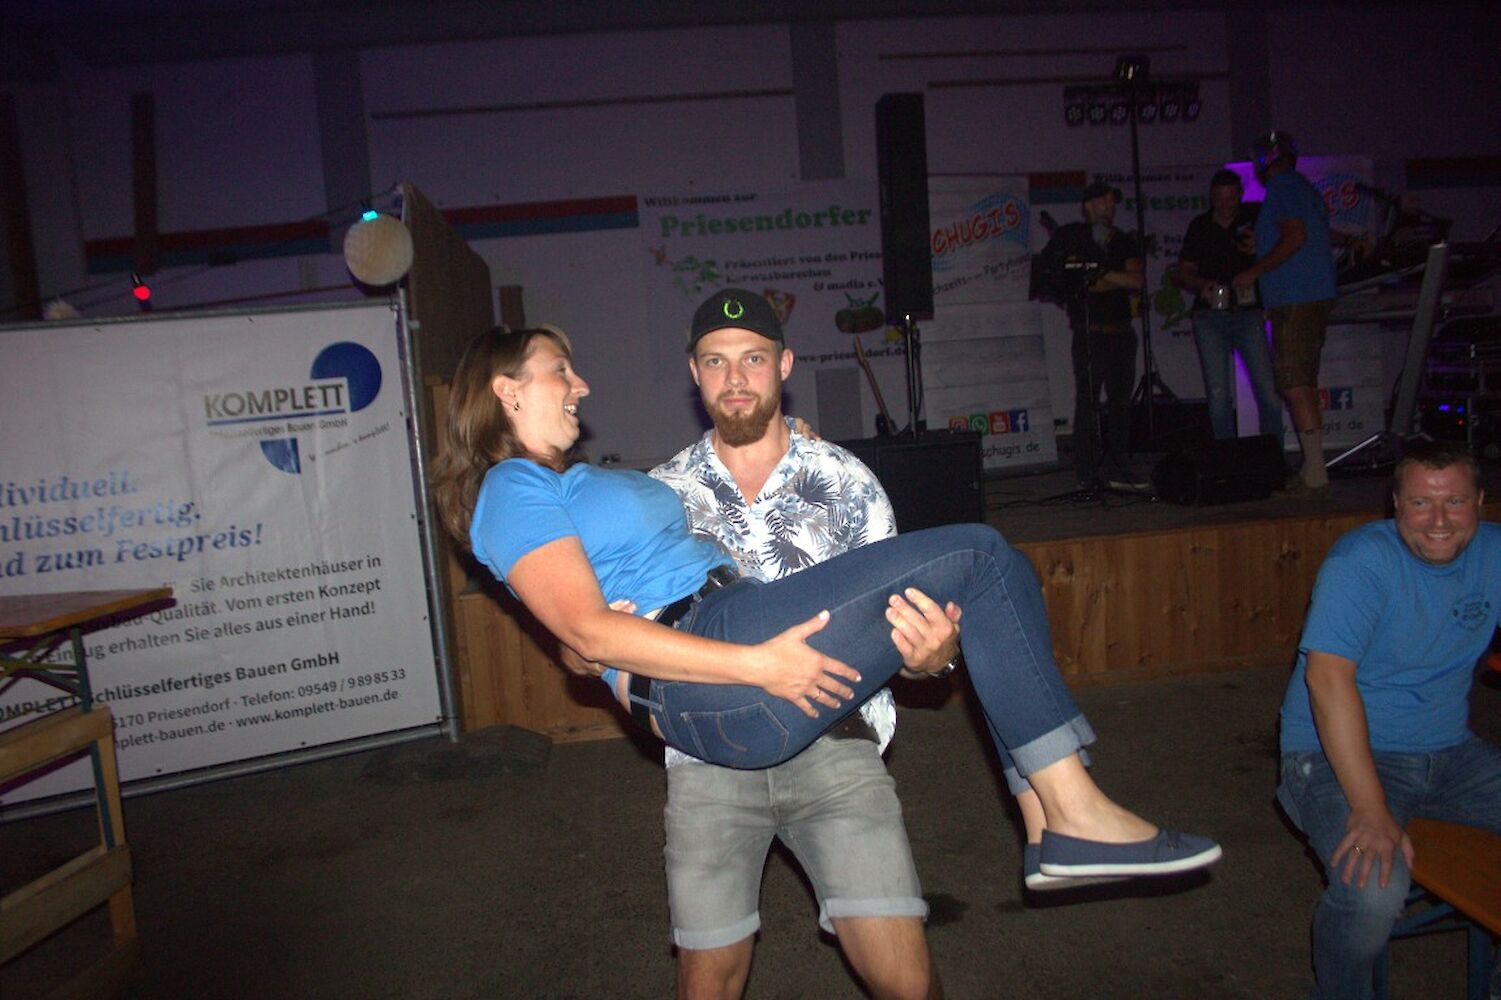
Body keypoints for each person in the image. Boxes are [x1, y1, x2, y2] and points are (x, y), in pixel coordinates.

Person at [430, 322, 1223, 890]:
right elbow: (585, 631)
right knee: (980, 554)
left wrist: (790, 442)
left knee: (994, 569)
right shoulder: (511, 486)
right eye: (561, 371)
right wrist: (755, 665)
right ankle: (1071, 815)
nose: (580, 385)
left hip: (734, 634)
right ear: (507, 390)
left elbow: (592, 610)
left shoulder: (569, 482)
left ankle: (1049, 822)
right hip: (719, 658)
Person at [636, 288, 954, 998]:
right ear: (694, 373)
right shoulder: (657, 500)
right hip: (709, 755)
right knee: (706, 981)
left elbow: (897, 627)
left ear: (784, 365)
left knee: (907, 980)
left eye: (753, 359)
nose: (735, 378)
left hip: (835, 742)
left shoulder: (846, 484)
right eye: (715, 362)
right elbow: (623, 638)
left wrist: (931, 659)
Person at [1275, 439, 1501, 999]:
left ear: (1479, 502)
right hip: (1335, 754)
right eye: (1421, 503)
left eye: (1455, 502)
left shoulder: (1495, 553)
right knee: (1373, 891)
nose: (1439, 521)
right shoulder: (1361, 562)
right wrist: (1370, 808)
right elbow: (1328, 680)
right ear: (1396, 505)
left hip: (1450, 752)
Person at [1232, 131, 1338, 495]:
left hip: (1296, 296)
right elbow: (1314, 233)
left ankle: (1316, 472)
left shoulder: (1283, 186)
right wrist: (1261, 244)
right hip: (1306, 295)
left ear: (1265, 161)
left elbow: (1295, 236)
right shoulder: (1302, 187)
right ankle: (1313, 466)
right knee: (1302, 380)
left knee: (1294, 382)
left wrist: (1254, 271)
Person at [1037, 180, 1147, 491]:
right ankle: (1086, 471)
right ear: (1088, 205)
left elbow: (1136, 280)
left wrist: (1099, 271)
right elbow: (1077, 282)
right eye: (1103, 201)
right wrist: (1102, 276)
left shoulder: (1122, 240)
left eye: (1112, 202)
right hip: (1090, 333)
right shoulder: (1073, 237)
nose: (1109, 207)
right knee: (1087, 403)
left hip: (1121, 333)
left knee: (1120, 404)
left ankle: (1118, 466)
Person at [1177, 169, 1284, 443]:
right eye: (1219, 200)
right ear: (1211, 198)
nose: (1225, 206)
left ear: (1240, 195)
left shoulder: (1256, 216)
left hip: (1248, 314)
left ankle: (1272, 455)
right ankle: (1227, 457)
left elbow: (1286, 244)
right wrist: (1202, 285)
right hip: (1210, 317)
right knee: (1218, 394)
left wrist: (1261, 248)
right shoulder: (1200, 226)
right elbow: (1184, 270)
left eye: (1230, 199)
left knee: (1267, 390)